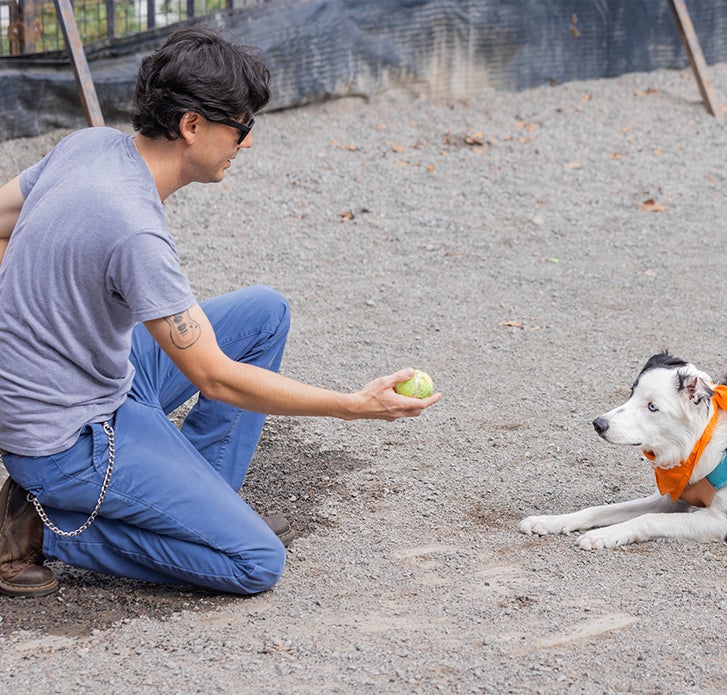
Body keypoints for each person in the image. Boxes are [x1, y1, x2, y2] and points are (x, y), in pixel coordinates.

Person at [0, 27, 440, 597]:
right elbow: (215, 377)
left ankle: (202, 502)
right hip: (68, 442)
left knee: (264, 312)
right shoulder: (134, 229)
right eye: (242, 127)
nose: (247, 143)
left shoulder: (90, 145)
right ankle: (50, 528)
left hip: (95, 383)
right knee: (254, 560)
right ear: (192, 126)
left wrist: (28, 323)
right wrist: (351, 406)